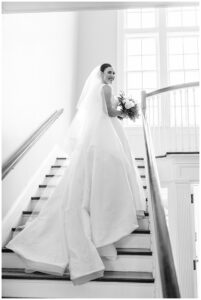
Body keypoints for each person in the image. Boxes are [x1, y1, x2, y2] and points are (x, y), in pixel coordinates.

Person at [5, 63, 146, 285]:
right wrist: (124, 111)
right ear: (102, 74)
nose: (112, 76)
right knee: (115, 163)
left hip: (99, 134)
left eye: (114, 74)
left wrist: (122, 110)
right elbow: (109, 112)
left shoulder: (98, 89)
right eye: (109, 72)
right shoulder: (105, 89)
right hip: (105, 131)